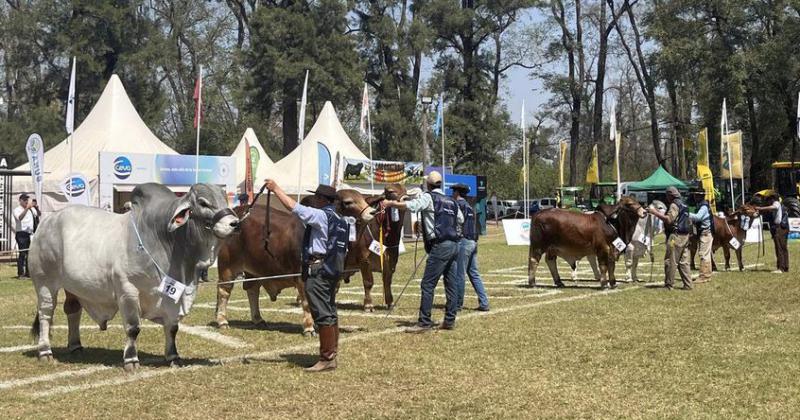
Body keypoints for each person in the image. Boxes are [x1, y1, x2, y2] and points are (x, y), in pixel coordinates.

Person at [263, 179, 348, 372]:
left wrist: (276, 189)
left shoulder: (320, 215)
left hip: (318, 268)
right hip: (333, 268)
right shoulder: (341, 219)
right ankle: (332, 353)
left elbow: (294, 208)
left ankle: (326, 357)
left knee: (321, 312)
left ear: (321, 199)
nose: (314, 200)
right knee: (330, 309)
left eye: (316, 197)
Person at [384, 171, 463, 332]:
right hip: (454, 244)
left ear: (428, 184)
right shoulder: (452, 201)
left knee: (427, 284)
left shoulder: (429, 197)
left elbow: (412, 207)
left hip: (439, 245)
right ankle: (449, 320)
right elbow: (460, 219)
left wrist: (391, 204)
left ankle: (424, 322)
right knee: (451, 284)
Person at [451, 184, 489, 312]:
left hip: (464, 241)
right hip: (473, 241)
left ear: (457, 193)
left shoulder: (458, 205)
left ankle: (457, 304)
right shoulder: (469, 206)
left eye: (453, 192)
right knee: (473, 273)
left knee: (459, 274)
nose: (452, 194)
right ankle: (484, 302)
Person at [648, 187, 693, 290]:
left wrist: (654, 212)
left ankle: (669, 285)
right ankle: (688, 284)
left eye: (667, 195)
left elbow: (669, 220)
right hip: (685, 236)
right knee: (684, 262)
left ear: (670, 195)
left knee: (670, 260)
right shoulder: (684, 205)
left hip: (675, 237)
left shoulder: (674, 205)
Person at [754, 192, 789, 273]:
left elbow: (773, 207)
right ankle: (785, 267)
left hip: (780, 228)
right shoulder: (775, 205)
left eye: (768, 200)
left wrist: (760, 208)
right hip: (782, 228)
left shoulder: (776, 203)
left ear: (772, 199)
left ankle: (780, 268)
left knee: (779, 248)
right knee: (783, 248)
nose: (767, 202)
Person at [689, 190, 713, 283]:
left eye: (696, 195)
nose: (695, 197)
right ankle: (707, 275)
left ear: (700, 196)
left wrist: (686, 213)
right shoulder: (702, 205)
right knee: (706, 254)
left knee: (703, 254)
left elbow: (698, 217)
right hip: (704, 233)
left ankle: (703, 276)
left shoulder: (703, 206)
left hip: (705, 233)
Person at [13, 193, 35, 278]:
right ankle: (20, 273)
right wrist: (26, 209)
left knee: (29, 254)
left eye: (27, 200)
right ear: (20, 200)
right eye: (24, 200)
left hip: (29, 234)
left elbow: (37, 216)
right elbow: (20, 218)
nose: (26, 201)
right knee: (22, 253)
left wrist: (35, 207)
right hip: (21, 234)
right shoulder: (17, 210)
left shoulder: (30, 210)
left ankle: (28, 273)